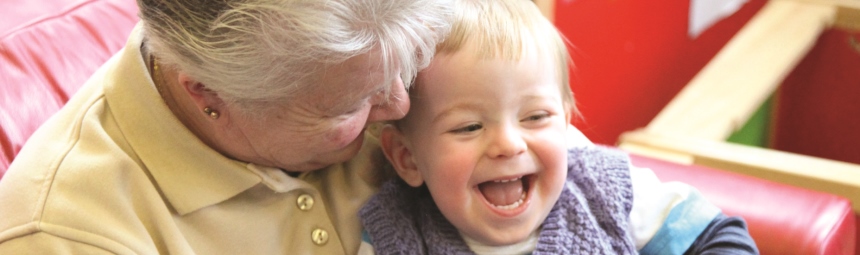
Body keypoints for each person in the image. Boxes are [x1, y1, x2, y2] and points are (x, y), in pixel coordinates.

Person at [0, 0, 453, 254]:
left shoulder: (383, 42)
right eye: (351, 103)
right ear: (207, 96)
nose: (400, 104)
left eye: (411, 65)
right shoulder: (64, 237)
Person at [358, 0, 759, 254]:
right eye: (469, 127)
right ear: (407, 158)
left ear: (566, 127)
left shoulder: (605, 190)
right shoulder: (397, 235)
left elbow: (720, 238)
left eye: (535, 117)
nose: (508, 144)